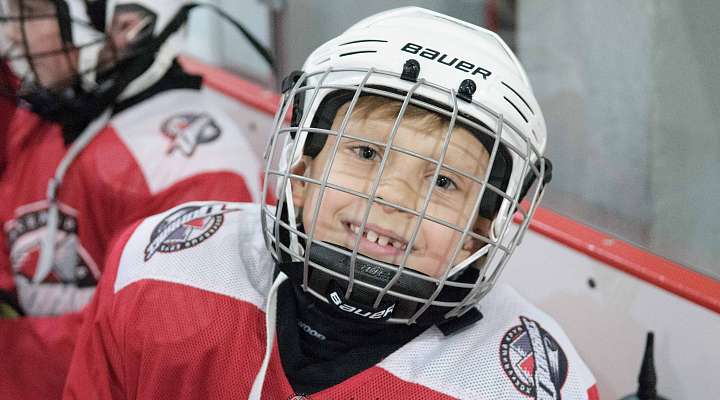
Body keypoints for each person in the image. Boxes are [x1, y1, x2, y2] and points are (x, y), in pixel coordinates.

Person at [64, 7, 599, 400]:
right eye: (366, 152)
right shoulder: (164, 268)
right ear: (300, 172)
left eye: (443, 183)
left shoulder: (529, 384)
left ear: (484, 229)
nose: (393, 196)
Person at [0, 0, 268, 398]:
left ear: (126, 26)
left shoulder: (197, 173)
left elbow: (149, 358)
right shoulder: (51, 110)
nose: (12, 34)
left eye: (32, 12)